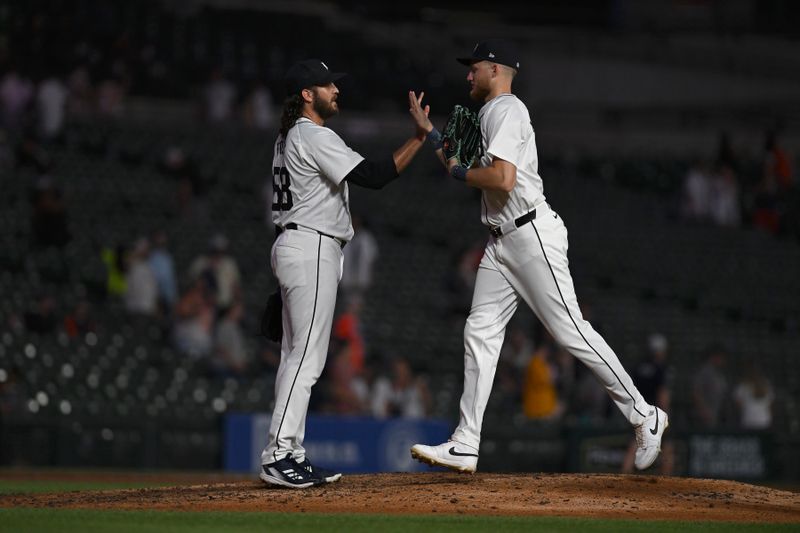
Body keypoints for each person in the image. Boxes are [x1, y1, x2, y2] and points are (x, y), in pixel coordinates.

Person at [410, 40, 667, 473]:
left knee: (570, 332)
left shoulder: (506, 110)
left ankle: (645, 414)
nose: (468, 75)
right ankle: (466, 442)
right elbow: (461, 162)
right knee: (480, 331)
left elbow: (503, 179)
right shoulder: (491, 113)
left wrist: (457, 171)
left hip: (530, 235)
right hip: (501, 240)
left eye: (473, 68)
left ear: (495, 68)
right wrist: (431, 133)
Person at [259, 58, 432, 488]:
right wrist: (419, 137)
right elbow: (374, 175)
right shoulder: (311, 134)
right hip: (312, 245)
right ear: (306, 94)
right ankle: (279, 453)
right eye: (327, 85)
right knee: (307, 357)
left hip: (295, 243)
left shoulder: (286, 138)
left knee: (294, 356)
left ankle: (289, 450)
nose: (336, 90)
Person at [622, 334, 675, 475]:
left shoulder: (638, 367)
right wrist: (666, 413)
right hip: (656, 413)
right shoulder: (661, 368)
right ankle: (666, 481)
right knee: (667, 446)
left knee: (634, 443)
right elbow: (662, 394)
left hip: (639, 411)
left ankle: (624, 477)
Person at [692, 345, 728, 429]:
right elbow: (696, 392)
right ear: (714, 357)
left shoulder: (719, 373)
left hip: (717, 414)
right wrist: (703, 410)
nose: (722, 361)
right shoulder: (705, 372)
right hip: (705, 416)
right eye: (721, 358)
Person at [733, 360, 774, 430]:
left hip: (757, 419)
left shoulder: (766, 384)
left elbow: (738, 403)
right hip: (755, 419)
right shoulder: (744, 385)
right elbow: (738, 402)